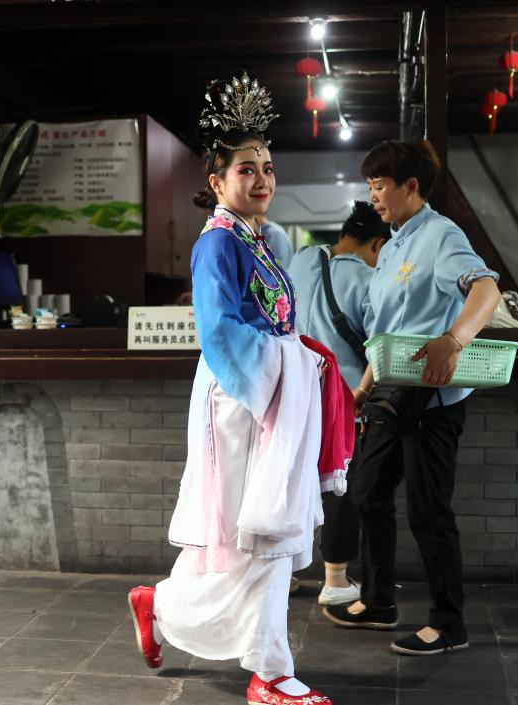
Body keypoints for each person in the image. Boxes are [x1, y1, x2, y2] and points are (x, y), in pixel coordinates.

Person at [126, 72, 337, 705]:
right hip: (242, 403)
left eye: (268, 167)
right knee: (262, 533)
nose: (263, 178)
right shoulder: (218, 243)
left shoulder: (262, 240)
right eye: (247, 169)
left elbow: (276, 324)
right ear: (217, 183)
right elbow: (220, 332)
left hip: (269, 398)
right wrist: (288, 364)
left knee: (249, 542)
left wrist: (300, 357)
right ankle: (270, 674)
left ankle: (159, 605)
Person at [322, 140, 501, 657]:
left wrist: (454, 340)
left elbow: (486, 289)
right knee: (367, 492)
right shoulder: (394, 243)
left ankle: (449, 624)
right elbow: (386, 330)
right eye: (371, 186)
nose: (373, 197)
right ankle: (379, 600)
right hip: (389, 393)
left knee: (428, 511)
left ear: (410, 187)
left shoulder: (442, 235)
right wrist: (362, 387)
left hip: (432, 402)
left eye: (379, 186)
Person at [288, 200, 389, 606]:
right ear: (377, 244)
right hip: (344, 402)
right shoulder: (366, 278)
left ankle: (283, 573)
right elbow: (379, 341)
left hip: (292, 393)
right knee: (338, 486)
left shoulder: (300, 262)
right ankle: (335, 580)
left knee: (290, 485)